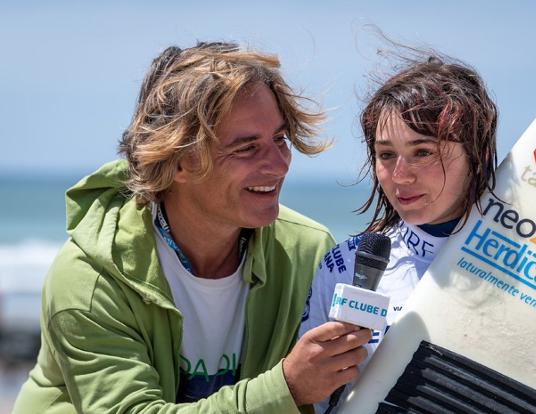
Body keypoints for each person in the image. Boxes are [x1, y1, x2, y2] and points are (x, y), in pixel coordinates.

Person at [13, 41, 371, 414]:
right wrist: (288, 388)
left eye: (279, 139)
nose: (278, 164)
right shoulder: (91, 278)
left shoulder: (307, 253)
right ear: (179, 162)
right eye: (247, 148)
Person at [299, 52, 498, 411]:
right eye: (386, 155)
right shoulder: (344, 264)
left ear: (475, 153)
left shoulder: (528, 259)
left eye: (422, 151)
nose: (400, 175)